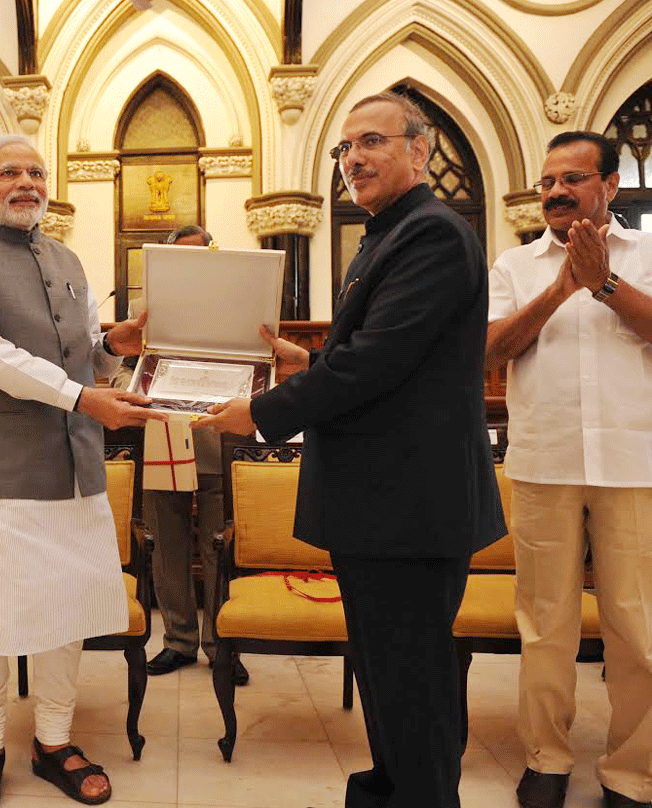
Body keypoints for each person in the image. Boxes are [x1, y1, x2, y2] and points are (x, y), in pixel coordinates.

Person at [198, 92, 505, 808]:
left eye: (371, 141)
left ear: (419, 150)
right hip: (383, 510)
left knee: (413, 691)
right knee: (390, 683)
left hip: (410, 511)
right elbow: (391, 363)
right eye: (344, 149)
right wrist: (306, 368)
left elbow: (374, 365)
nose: (353, 159)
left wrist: (262, 411)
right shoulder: (385, 235)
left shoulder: (430, 235)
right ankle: (390, 789)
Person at [0, 134, 164, 808]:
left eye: (35, 172)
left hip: (74, 463)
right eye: (9, 173)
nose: (25, 182)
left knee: (68, 608)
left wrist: (115, 346)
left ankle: (55, 739)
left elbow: (85, 356)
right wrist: (83, 395)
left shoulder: (67, 258)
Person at [486, 131, 652, 808]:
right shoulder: (513, 264)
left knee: (636, 623)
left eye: (573, 179)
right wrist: (561, 288)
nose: (555, 192)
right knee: (544, 619)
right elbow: (490, 350)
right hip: (545, 458)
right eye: (547, 181)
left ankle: (630, 770)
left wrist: (605, 283)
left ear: (610, 185)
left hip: (633, 458)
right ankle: (546, 758)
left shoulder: (647, 254)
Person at [118, 225, 248, 686]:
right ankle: (178, 640)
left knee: (218, 543)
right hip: (163, 435)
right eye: (181, 257)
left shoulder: (238, 306)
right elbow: (125, 369)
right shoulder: (142, 311)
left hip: (217, 434)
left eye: (202, 255)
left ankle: (221, 644)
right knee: (167, 543)